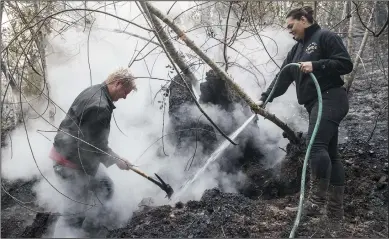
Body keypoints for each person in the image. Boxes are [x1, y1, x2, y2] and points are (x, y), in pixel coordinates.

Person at [257, 6, 353, 221]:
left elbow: (346, 64)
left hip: (331, 97)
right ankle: (335, 212)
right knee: (331, 154)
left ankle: (316, 203)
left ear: (303, 20)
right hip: (315, 104)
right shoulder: (296, 50)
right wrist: (265, 98)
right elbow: (283, 77)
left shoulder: (325, 36)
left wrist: (316, 65)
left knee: (315, 145)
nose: (289, 31)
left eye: (291, 26)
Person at [49, 67, 137, 236]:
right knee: (74, 213)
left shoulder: (94, 90)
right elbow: (96, 146)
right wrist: (117, 160)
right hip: (70, 163)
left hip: (74, 157)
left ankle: (92, 229)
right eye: (126, 91)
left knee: (106, 188)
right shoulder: (100, 106)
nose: (125, 97)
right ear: (118, 83)